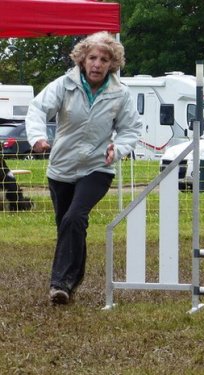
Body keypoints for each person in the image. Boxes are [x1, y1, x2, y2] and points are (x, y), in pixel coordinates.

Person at [26, 31, 142, 305]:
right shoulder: (64, 85)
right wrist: (37, 138)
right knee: (66, 226)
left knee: (74, 218)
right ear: (82, 59)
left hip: (98, 166)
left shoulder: (120, 93)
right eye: (92, 58)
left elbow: (131, 129)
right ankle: (72, 280)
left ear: (112, 64)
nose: (97, 64)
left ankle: (59, 284)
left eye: (104, 59)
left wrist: (119, 148)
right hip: (62, 167)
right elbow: (37, 108)